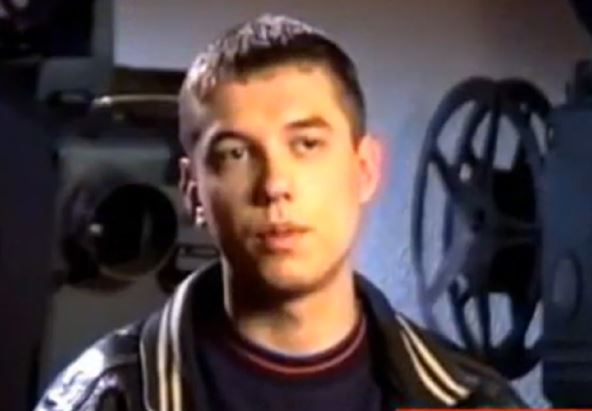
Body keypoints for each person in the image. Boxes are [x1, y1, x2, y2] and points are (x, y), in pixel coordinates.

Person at [35, 14, 526, 410]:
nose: (274, 185)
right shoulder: (107, 399)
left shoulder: (475, 401)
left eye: (306, 144)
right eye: (235, 153)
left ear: (365, 170)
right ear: (193, 191)